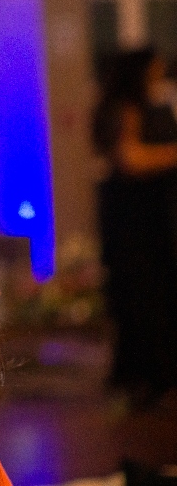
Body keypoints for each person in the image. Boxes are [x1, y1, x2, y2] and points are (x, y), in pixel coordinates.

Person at [93, 49, 177, 403]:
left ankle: (147, 375)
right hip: (136, 222)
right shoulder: (126, 108)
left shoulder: (139, 105)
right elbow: (130, 158)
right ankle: (150, 377)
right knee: (145, 295)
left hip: (142, 218)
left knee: (145, 294)